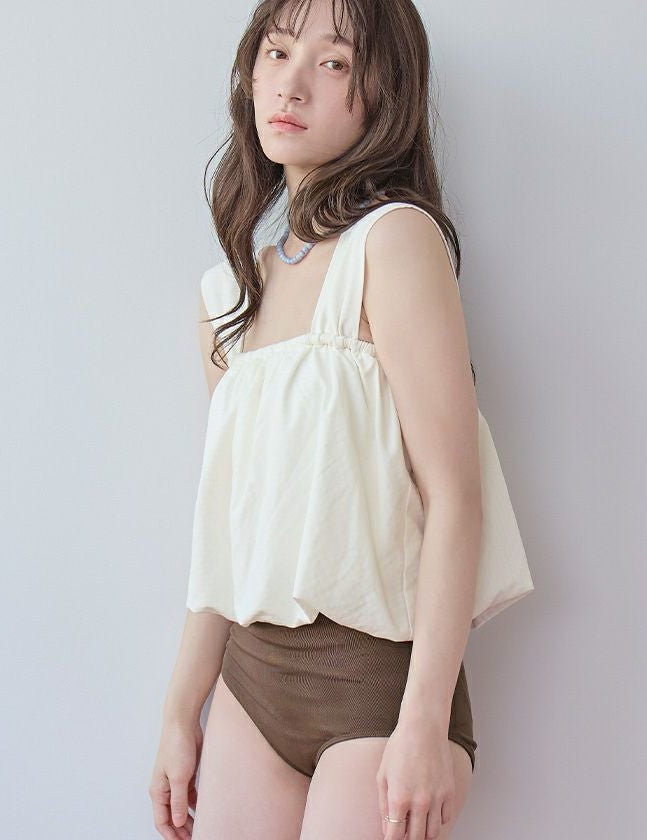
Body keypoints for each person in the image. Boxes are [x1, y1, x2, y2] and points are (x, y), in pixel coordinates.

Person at [150, 1, 483, 838]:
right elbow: (229, 530)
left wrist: (423, 723)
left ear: (384, 94)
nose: (291, 84)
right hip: (251, 679)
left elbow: (454, 497)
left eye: (333, 62)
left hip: (378, 680)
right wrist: (179, 711)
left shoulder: (394, 243)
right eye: (276, 52)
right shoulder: (227, 299)